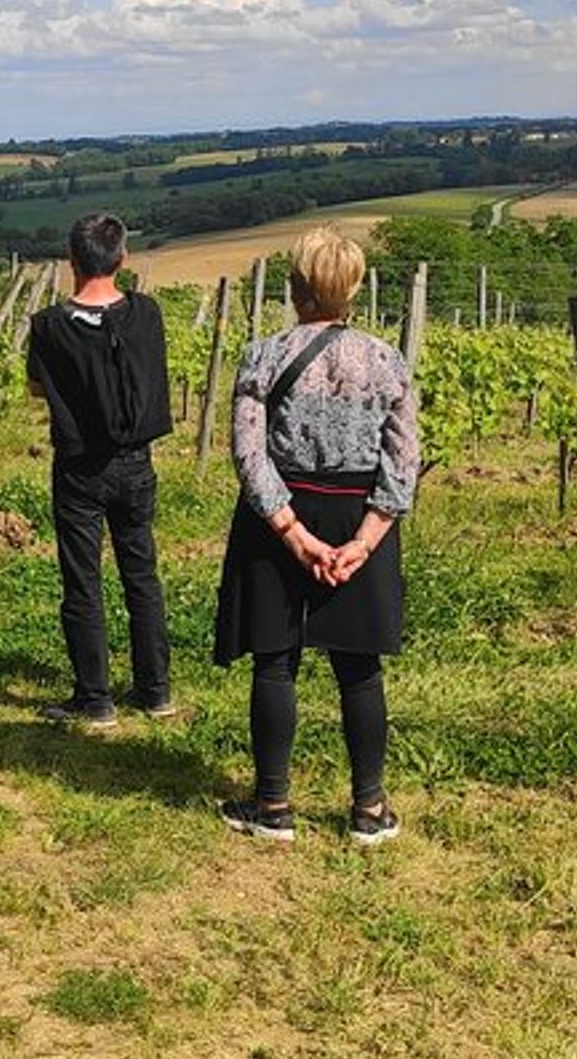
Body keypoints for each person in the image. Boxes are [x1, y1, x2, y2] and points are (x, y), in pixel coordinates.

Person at [213, 226, 419, 846]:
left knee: (276, 662)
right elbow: (403, 459)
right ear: (352, 288)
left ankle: (272, 804)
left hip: (281, 517)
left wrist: (292, 533)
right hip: (358, 515)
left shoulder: (263, 356)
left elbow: (249, 455)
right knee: (360, 669)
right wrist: (366, 538)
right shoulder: (386, 359)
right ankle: (369, 809)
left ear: (296, 286)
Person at [25, 213, 175, 727]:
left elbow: (37, 388)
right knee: (142, 576)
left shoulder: (48, 327)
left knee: (83, 581)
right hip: (137, 463)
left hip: (79, 466)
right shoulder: (147, 313)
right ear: (122, 259)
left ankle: (96, 697)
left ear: (71, 261)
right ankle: (155, 691)